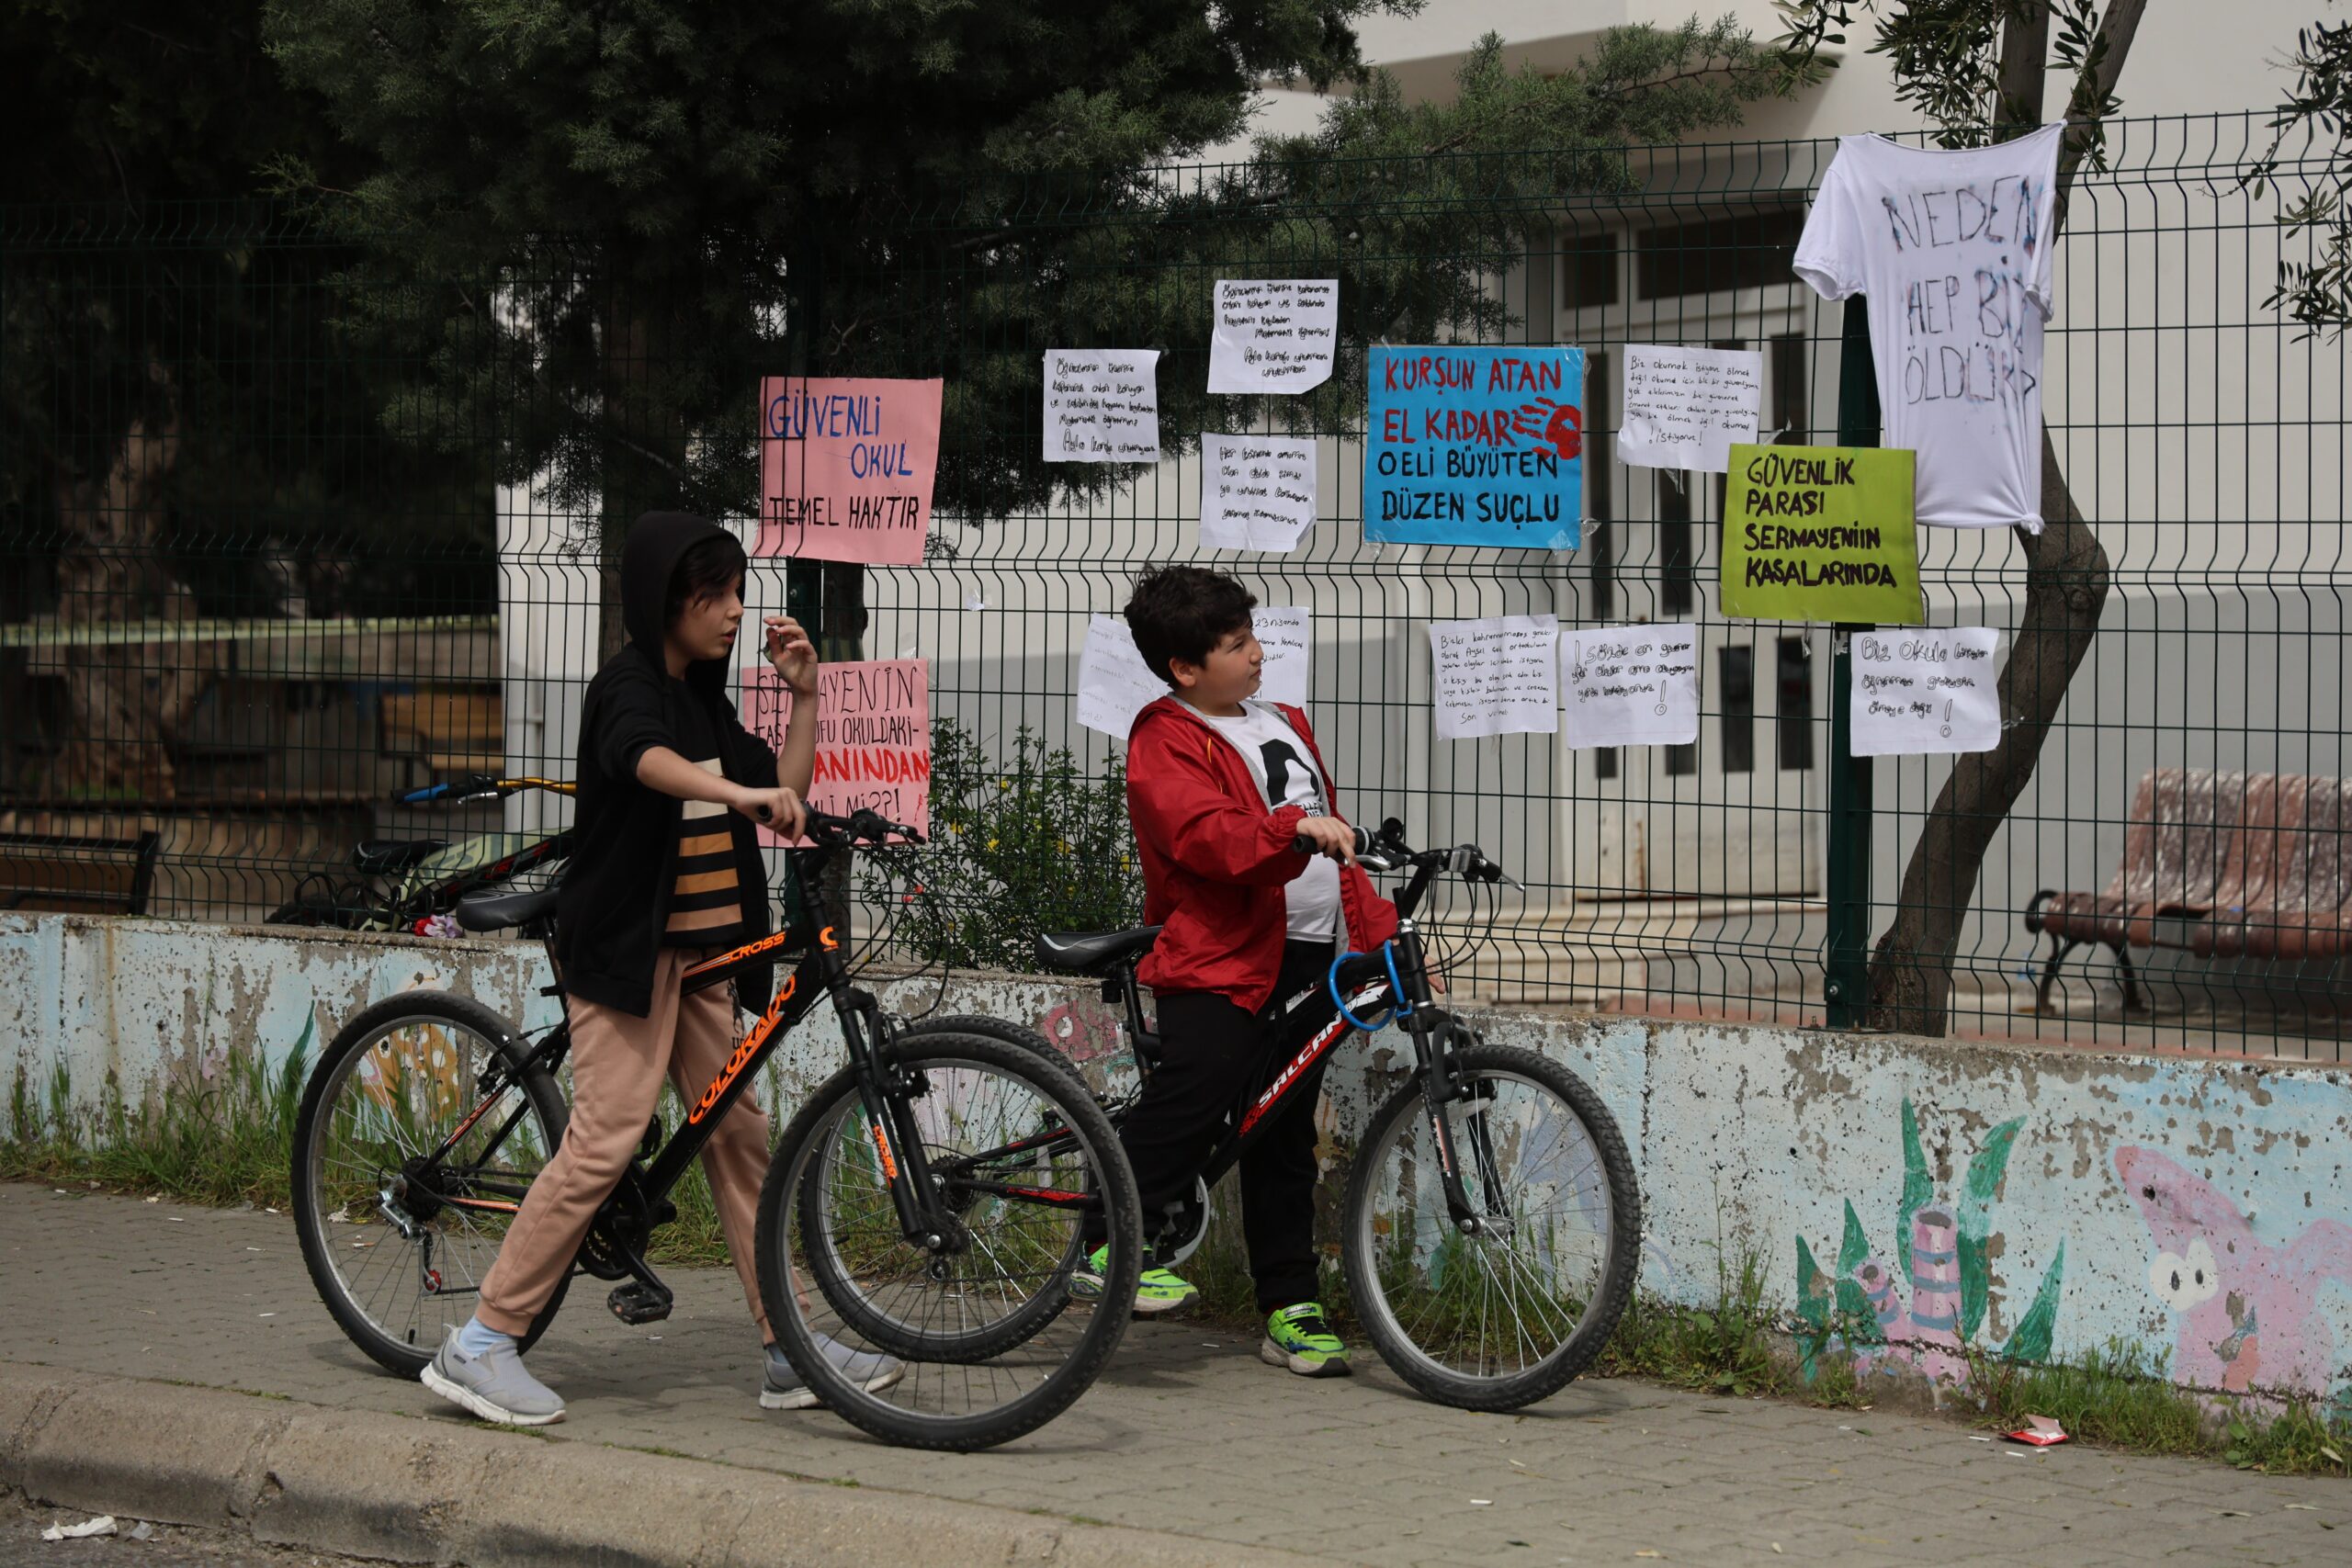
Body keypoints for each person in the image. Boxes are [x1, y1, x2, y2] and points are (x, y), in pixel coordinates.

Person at [420, 511, 901, 1426]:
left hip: (704, 951)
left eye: (733, 593)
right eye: (708, 595)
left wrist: (803, 701)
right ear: (662, 602)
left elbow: (782, 796)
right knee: (607, 1135)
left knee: (737, 1134)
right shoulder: (628, 689)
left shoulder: (703, 697)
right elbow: (647, 765)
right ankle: (478, 1343)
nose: (729, 612)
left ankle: (786, 1347)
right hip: (628, 950)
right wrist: (735, 788)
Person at [1072, 564, 1398, 1377]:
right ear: (1185, 668)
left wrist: (1372, 916)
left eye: (1252, 636)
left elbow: (1327, 828)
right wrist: (1292, 831)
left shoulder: (1282, 718)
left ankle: (1290, 1306)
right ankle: (1104, 1243)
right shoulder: (1164, 735)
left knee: (1284, 1127)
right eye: (1236, 643)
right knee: (1198, 1088)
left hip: (1313, 948)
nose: (1257, 654)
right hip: (1223, 954)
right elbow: (1205, 834)